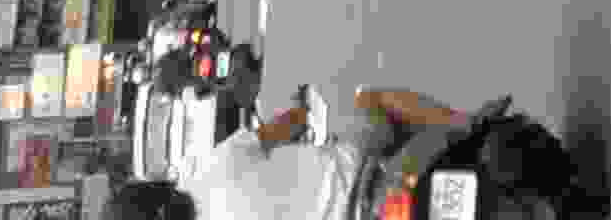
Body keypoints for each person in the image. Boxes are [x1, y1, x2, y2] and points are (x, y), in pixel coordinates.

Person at [116, 86, 466, 220]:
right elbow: (289, 123)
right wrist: (299, 109)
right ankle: (466, 123)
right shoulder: (213, 164)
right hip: (359, 172)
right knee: (371, 100)